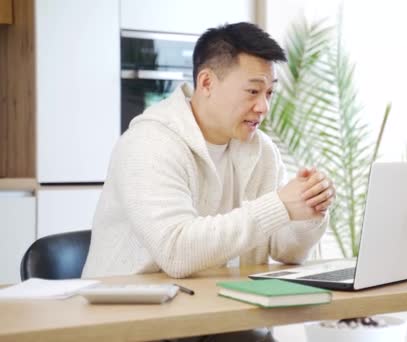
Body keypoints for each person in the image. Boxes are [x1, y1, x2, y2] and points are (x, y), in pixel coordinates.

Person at [82, 22, 335, 341]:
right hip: (132, 324)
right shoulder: (148, 143)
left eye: (269, 93)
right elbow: (175, 251)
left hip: (213, 316)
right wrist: (279, 205)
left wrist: (309, 211)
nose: (264, 107)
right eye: (253, 91)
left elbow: (286, 251)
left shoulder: (262, 151)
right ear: (206, 82)